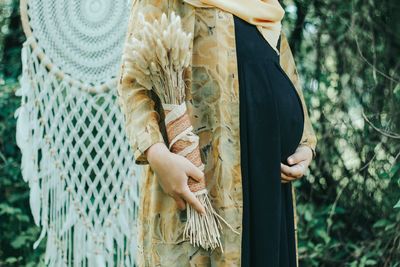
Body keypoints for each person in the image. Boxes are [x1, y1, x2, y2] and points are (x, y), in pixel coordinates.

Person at [117, 0, 317, 266]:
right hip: (200, 181)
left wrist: (305, 145)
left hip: (268, 186)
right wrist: (157, 154)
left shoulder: (264, 4)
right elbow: (133, 83)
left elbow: (287, 79)